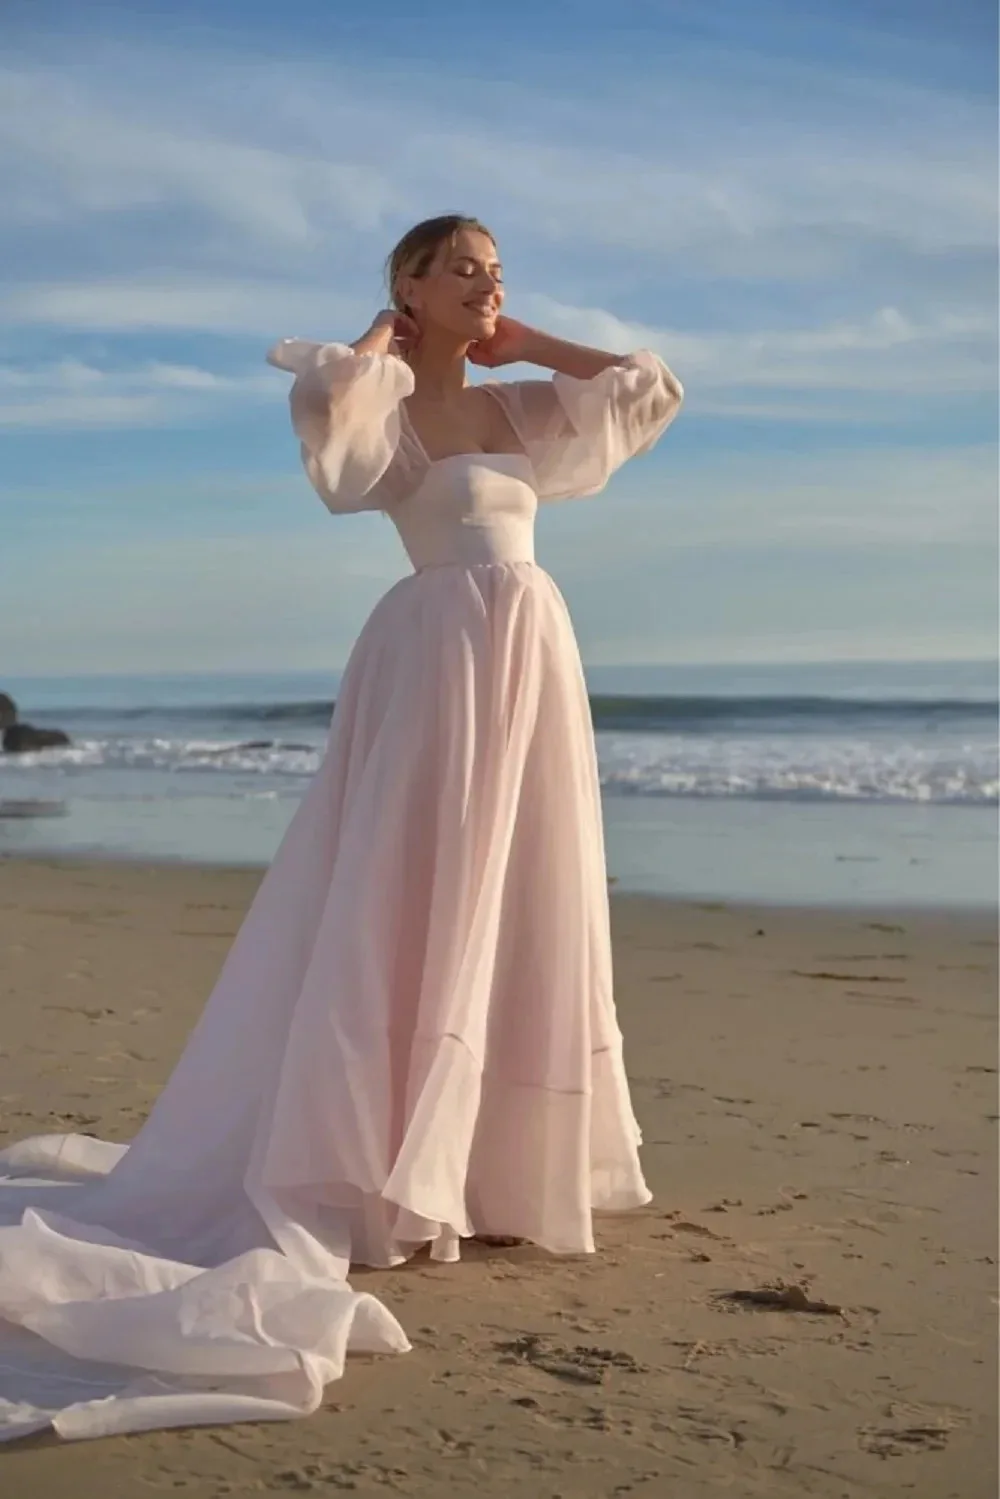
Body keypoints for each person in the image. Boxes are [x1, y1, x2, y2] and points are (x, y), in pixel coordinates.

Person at [0, 214, 683, 1442]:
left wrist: (521, 335)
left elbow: (646, 388)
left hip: (531, 657)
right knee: (414, 896)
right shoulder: (388, 405)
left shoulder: (522, 410)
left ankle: (490, 1169)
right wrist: (391, 332)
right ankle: (386, 1166)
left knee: (524, 893)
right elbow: (334, 428)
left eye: (497, 269)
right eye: (462, 269)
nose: (489, 285)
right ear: (411, 285)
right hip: (434, 663)